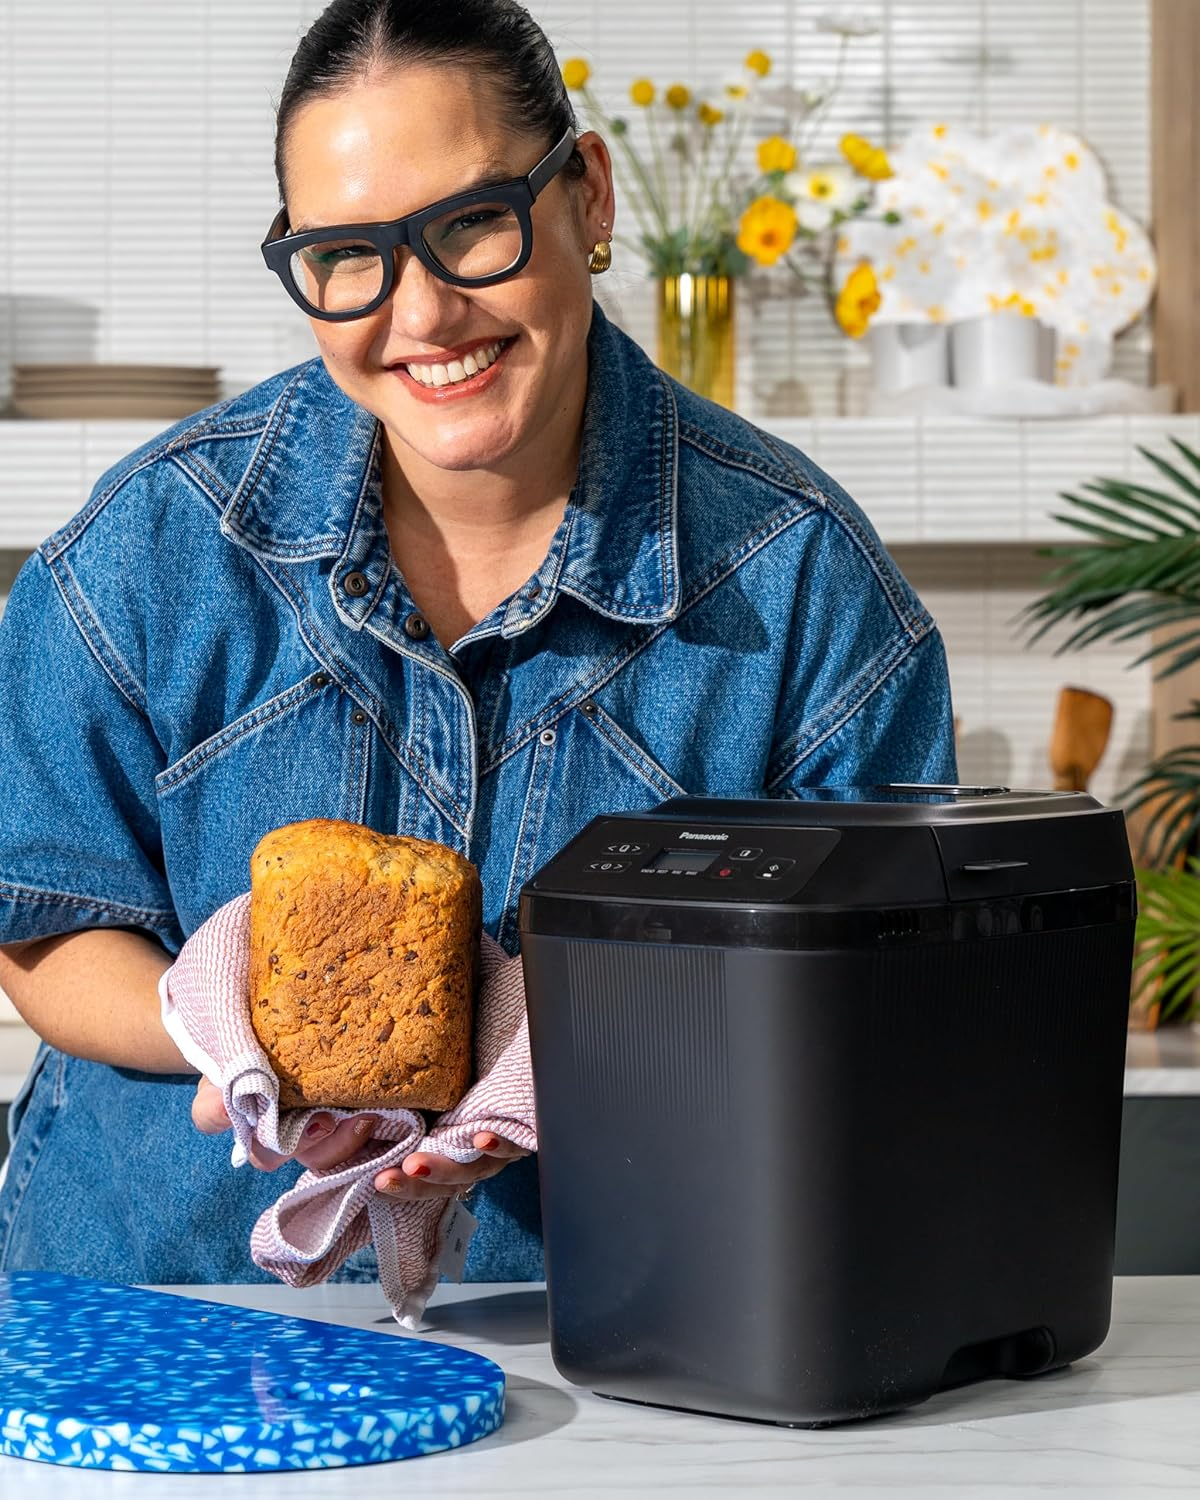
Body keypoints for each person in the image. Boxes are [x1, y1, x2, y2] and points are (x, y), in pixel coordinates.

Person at [0, 0, 957, 1288]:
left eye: (471, 227)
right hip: (162, 1314)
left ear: (589, 197)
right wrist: (219, 1021)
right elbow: (43, 922)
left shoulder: (801, 590)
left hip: (616, 1327)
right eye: (347, 253)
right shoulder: (154, 547)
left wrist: (586, 1053)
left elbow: (888, 1009)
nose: (424, 313)